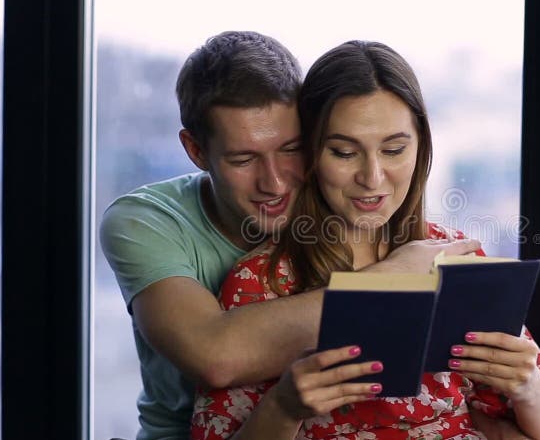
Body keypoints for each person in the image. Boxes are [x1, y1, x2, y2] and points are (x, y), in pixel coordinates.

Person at [99, 31, 482, 440]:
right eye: (243, 159)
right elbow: (217, 356)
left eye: (291, 149)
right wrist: (393, 280)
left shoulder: (345, 200)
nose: (276, 183)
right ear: (196, 151)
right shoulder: (144, 221)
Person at [190, 40, 540, 440]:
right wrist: (284, 406)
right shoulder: (261, 279)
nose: (372, 177)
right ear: (310, 154)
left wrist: (529, 385)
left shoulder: (454, 255)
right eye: (344, 152)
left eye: (394, 149)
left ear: (420, 147)